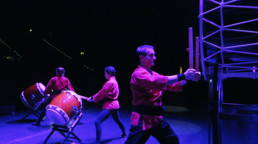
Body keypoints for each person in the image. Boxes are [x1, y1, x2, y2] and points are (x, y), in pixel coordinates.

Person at [125, 45, 201, 144]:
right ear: (141, 57)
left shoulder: (153, 73)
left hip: (156, 119)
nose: (154, 58)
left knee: (172, 141)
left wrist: (189, 78)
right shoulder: (138, 74)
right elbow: (157, 82)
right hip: (142, 119)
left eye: (154, 55)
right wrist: (183, 75)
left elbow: (170, 85)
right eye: (151, 55)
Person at [84, 66, 126, 144]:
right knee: (117, 119)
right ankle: (124, 133)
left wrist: (92, 98)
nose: (104, 75)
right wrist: (93, 98)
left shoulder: (110, 82)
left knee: (97, 121)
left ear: (109, 73)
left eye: (105, 73)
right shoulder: (114, 81)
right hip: (115, 104)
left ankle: (97, 141)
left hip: (111, 105)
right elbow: (103, 93)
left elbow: (102, 93)